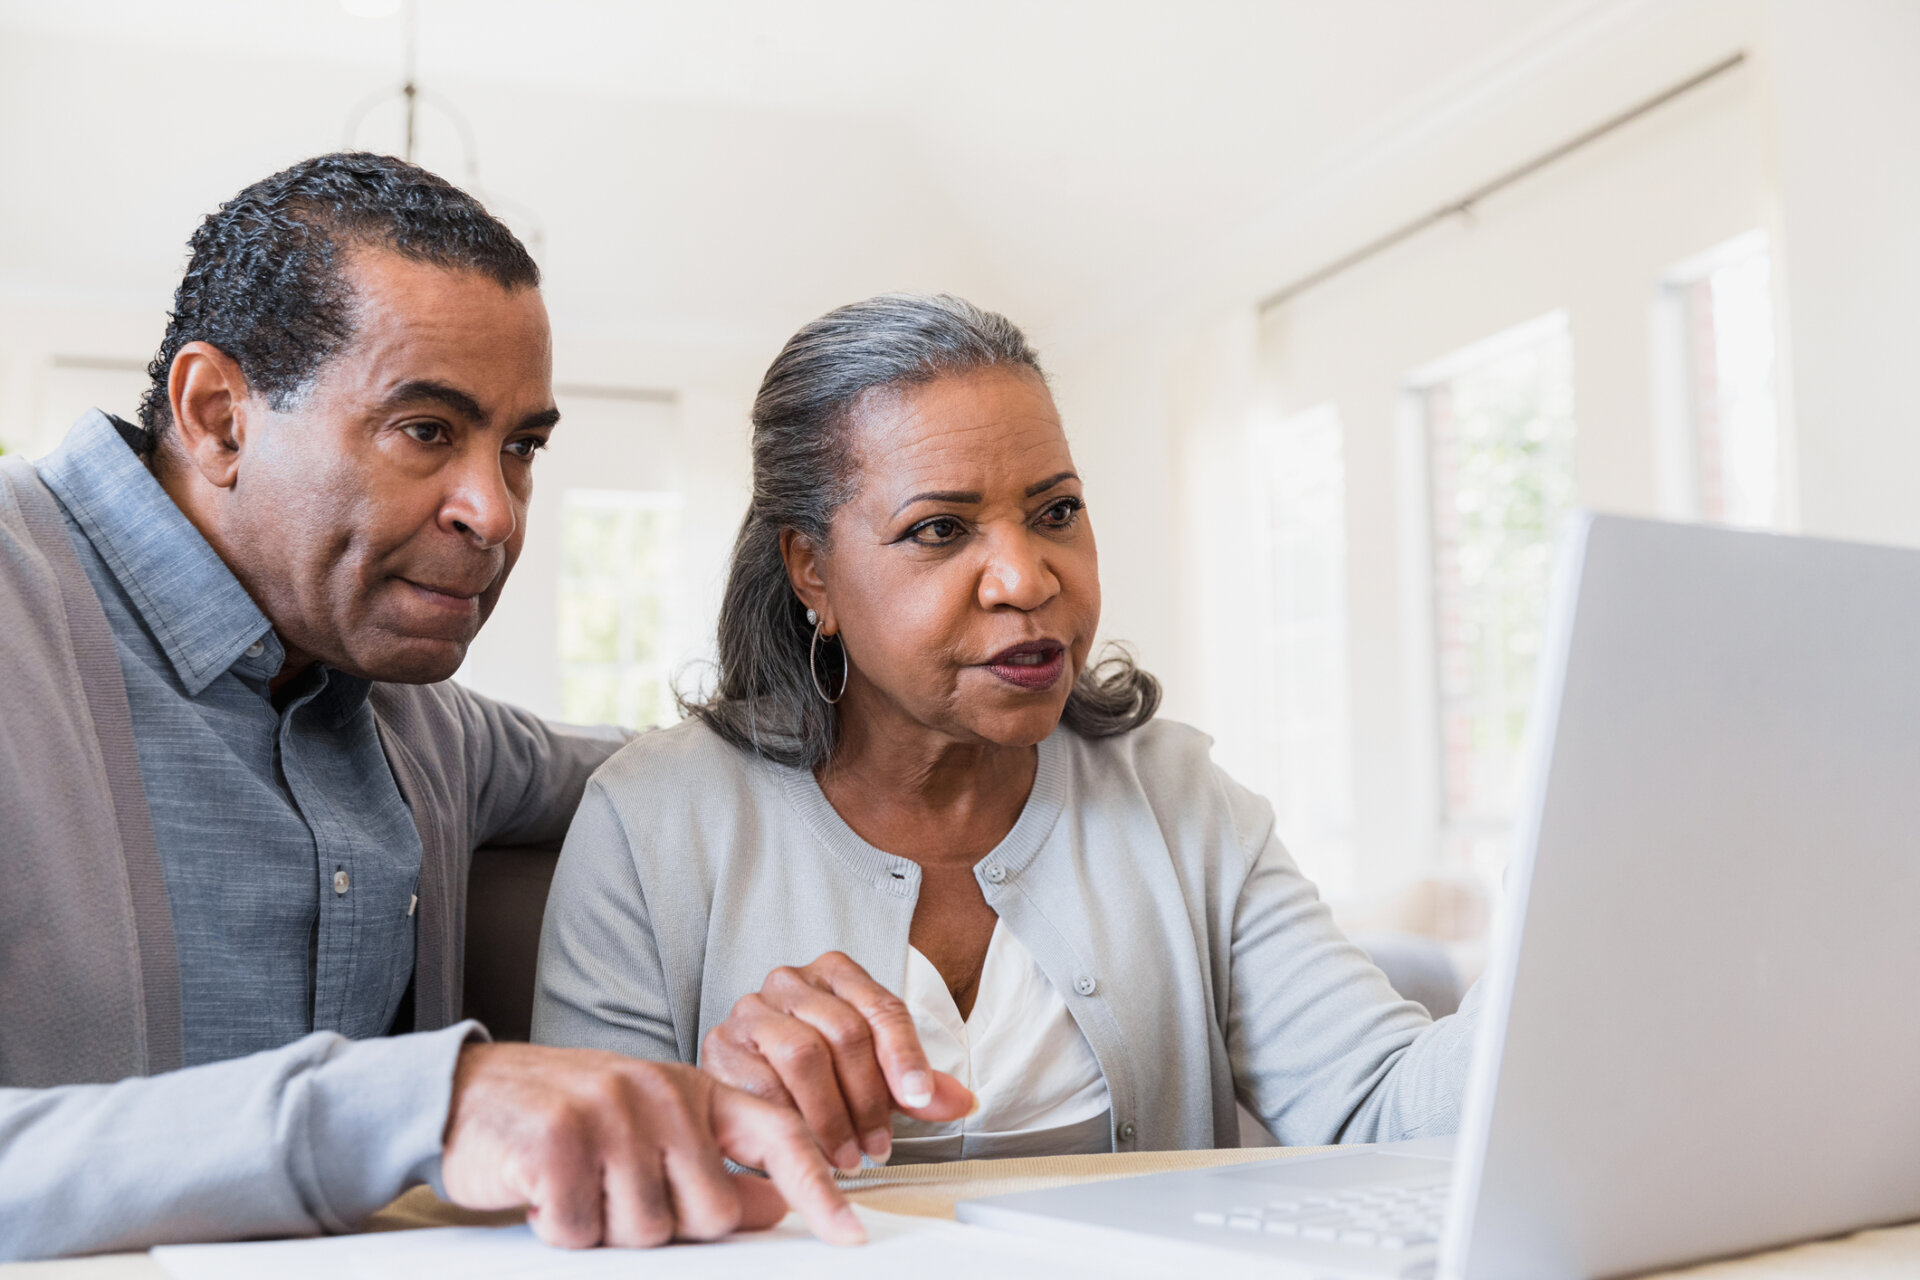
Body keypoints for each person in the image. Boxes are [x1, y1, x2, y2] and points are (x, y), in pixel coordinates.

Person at [0, 153, 857, 1260]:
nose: (494, 512)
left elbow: (661, 769)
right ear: (218, 416)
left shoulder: (422, 723)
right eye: (425, 429)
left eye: (522, 448)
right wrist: (421, 1103)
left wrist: (914, 708)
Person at [533, 293, 1481, 1172]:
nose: (1027, 579)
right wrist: (707, 1121)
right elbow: (591, 1188)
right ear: (811, 572)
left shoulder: (1183, 802)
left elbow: (1383, 1111)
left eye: (1056, 512)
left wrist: (1577, 955)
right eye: (941, 530)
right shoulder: (649, 822)